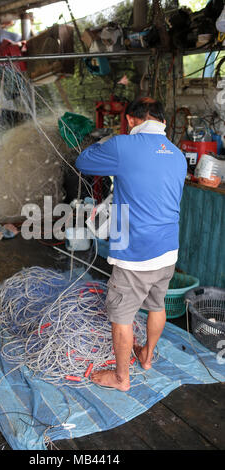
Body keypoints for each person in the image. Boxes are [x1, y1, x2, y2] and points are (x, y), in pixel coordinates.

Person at [75, 97, 187, 391]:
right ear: (162, 121)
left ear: (130, 120)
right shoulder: (177, 155)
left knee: (121, 316)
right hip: (168, 250)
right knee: (156, 304)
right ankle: (147, 356)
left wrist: (108, 142)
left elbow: (82, 161)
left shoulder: (123, 145)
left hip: (136, 253)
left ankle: (121, 378)